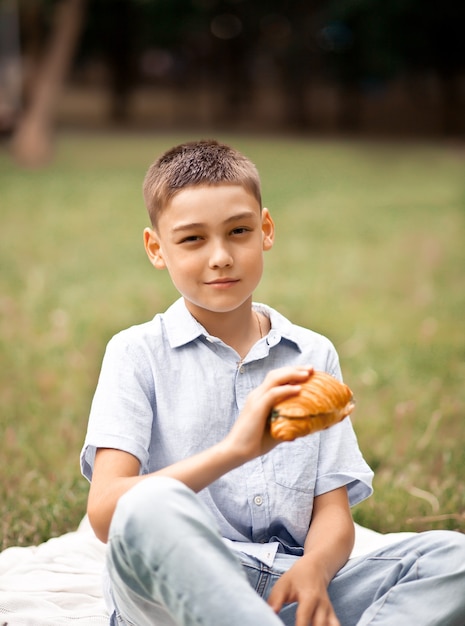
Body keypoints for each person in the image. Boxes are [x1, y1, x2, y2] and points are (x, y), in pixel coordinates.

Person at [81, 139, 465, 626]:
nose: (220, 256)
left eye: (238, 231)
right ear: (157, 249)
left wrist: (315, 569)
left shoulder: (312, 355)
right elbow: (107, 514)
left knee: (454, 559)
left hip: (287, 586)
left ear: (265, 230)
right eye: (193, 239)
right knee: (148, 505)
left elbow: (332, 510)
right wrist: (234, 451)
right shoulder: (135, 354)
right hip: (177, 591)